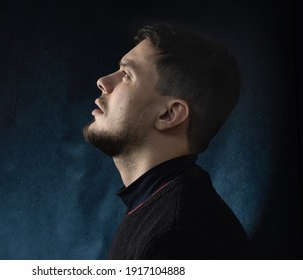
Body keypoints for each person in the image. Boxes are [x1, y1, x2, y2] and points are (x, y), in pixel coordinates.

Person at [83, 23, 252, 259]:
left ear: (169, 114)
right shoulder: (156, 207)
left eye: (127, 75)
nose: (103, 81)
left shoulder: (175, 236)